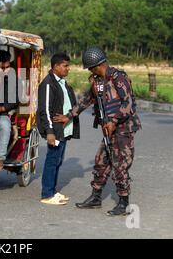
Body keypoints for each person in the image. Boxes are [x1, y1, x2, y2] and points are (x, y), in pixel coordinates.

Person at [55, 47, 141, 216]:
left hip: (123, 129)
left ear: (96, 65)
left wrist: (114, 121)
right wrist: (69, 116)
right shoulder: (97, 81)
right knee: (101, 161)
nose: (90, 72)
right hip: (108, 130)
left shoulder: (119, 78)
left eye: (90, 68)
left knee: (120, 165)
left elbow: (128, 103)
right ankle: (96, 197)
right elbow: (87, 99)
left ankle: (123, 202)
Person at [36, 52, 80, 205]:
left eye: (68, 66)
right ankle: (47, 194)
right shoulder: (48, 84)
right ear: (55, 66)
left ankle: (53, 191)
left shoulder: (62, 83)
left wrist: (69, 116)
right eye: (65, 66)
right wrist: (49, 132)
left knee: (58, 160)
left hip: (64, 130)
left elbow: (72, 104)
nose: (68, 69)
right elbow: (45, 110)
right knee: (52, 160)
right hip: (54, 130)